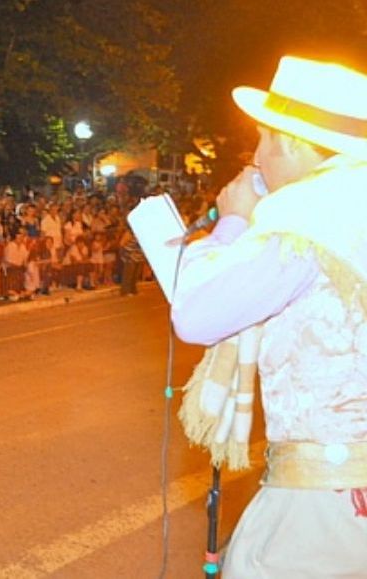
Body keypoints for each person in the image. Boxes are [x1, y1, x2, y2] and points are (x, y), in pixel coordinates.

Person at [171, 56, 367, 577]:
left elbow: (196, 314)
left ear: (297, 143)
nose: (255, 159)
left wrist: (232, 224)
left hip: (326, 498)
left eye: (264, 141)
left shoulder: (312, 216)